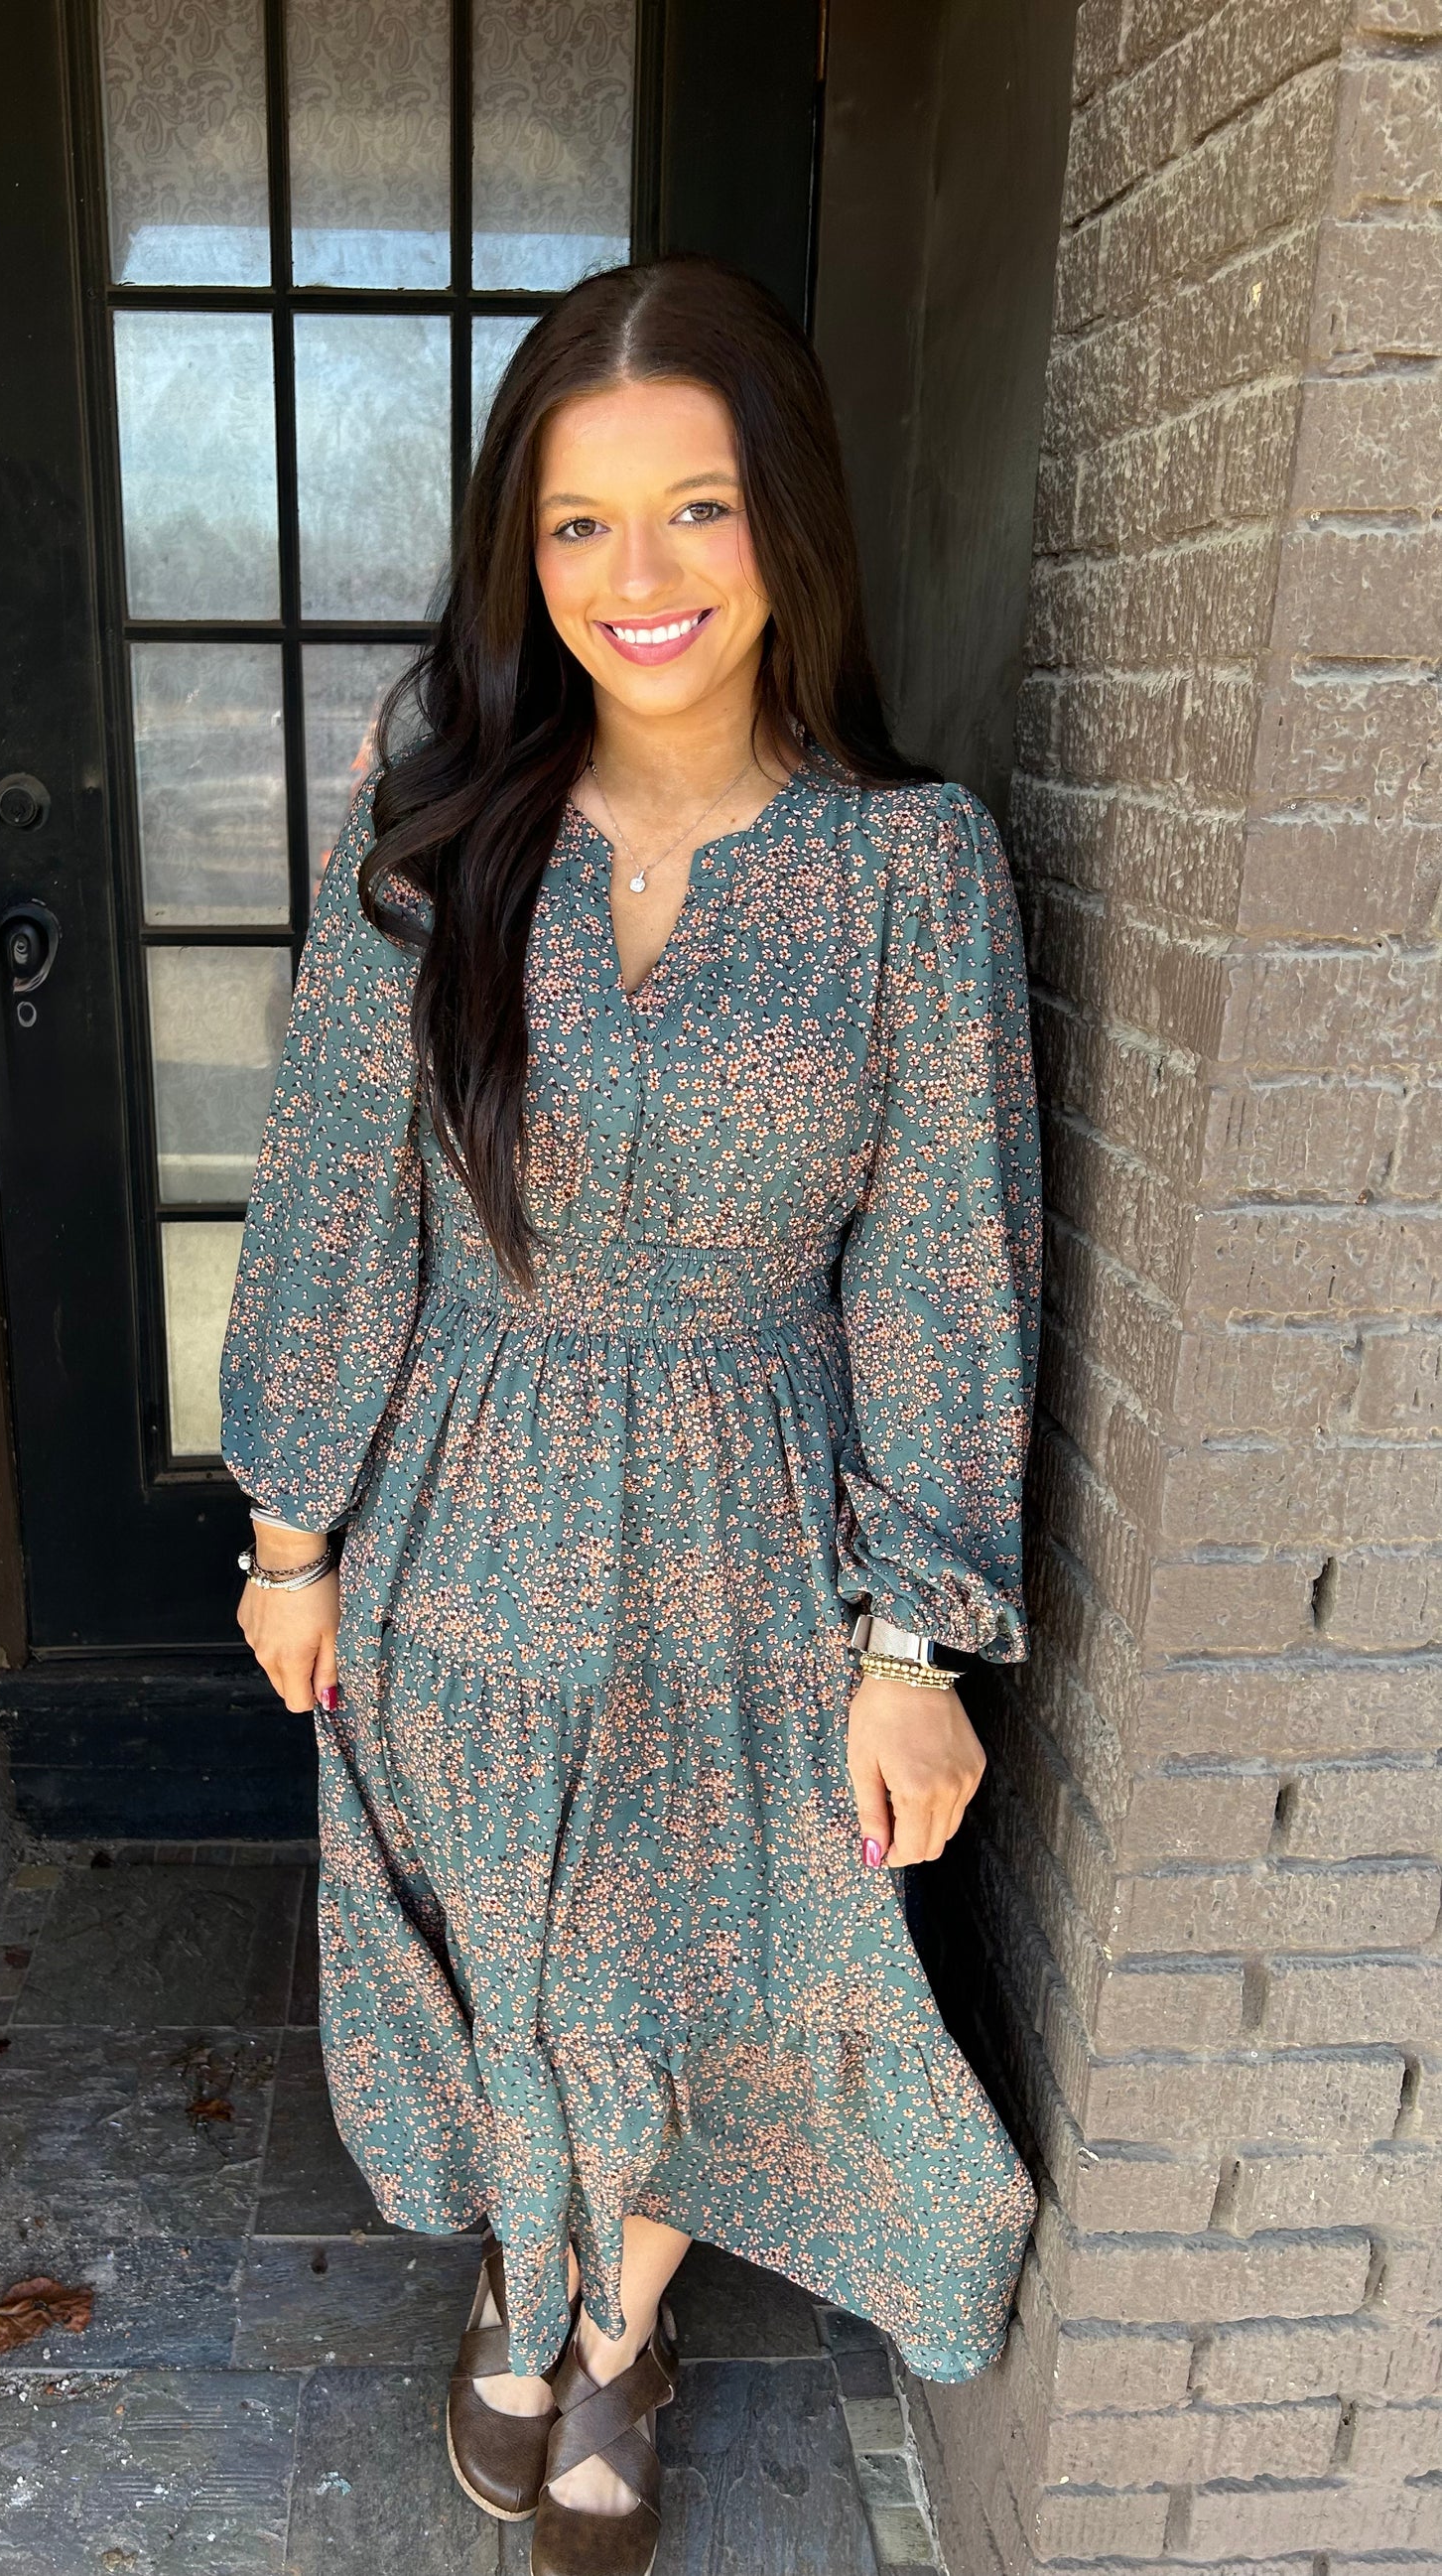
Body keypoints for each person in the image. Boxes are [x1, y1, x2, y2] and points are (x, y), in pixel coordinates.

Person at [219, 254, 1039, 2576]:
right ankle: (524, 2269)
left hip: (756, 1540)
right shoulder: (428, 840)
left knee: (709, 1967)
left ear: (789, 523)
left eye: (695, 506)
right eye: (577, 523)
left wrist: (915, 1638)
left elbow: (945, 1264)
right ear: (522, 555)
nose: (636, 574)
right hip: (463, 1506)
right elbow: (332, 1201)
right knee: (508, 1948)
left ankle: (616, 2319)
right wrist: (290, 1535)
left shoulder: (909, 869)